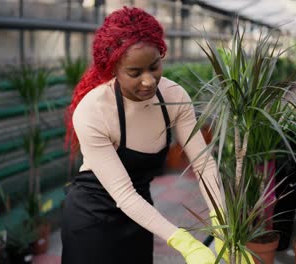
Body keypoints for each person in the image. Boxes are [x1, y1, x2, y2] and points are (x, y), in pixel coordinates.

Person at [62, 6, 222, 264]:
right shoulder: (94, 111)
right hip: (92, 218)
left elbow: (204, 163)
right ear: (112, 69)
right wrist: (184, 242)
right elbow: (123, 194)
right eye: (135, 73)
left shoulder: (174, 97)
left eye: (154, 66)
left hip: (141, 212)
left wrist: (223, 224)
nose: (148, 81)